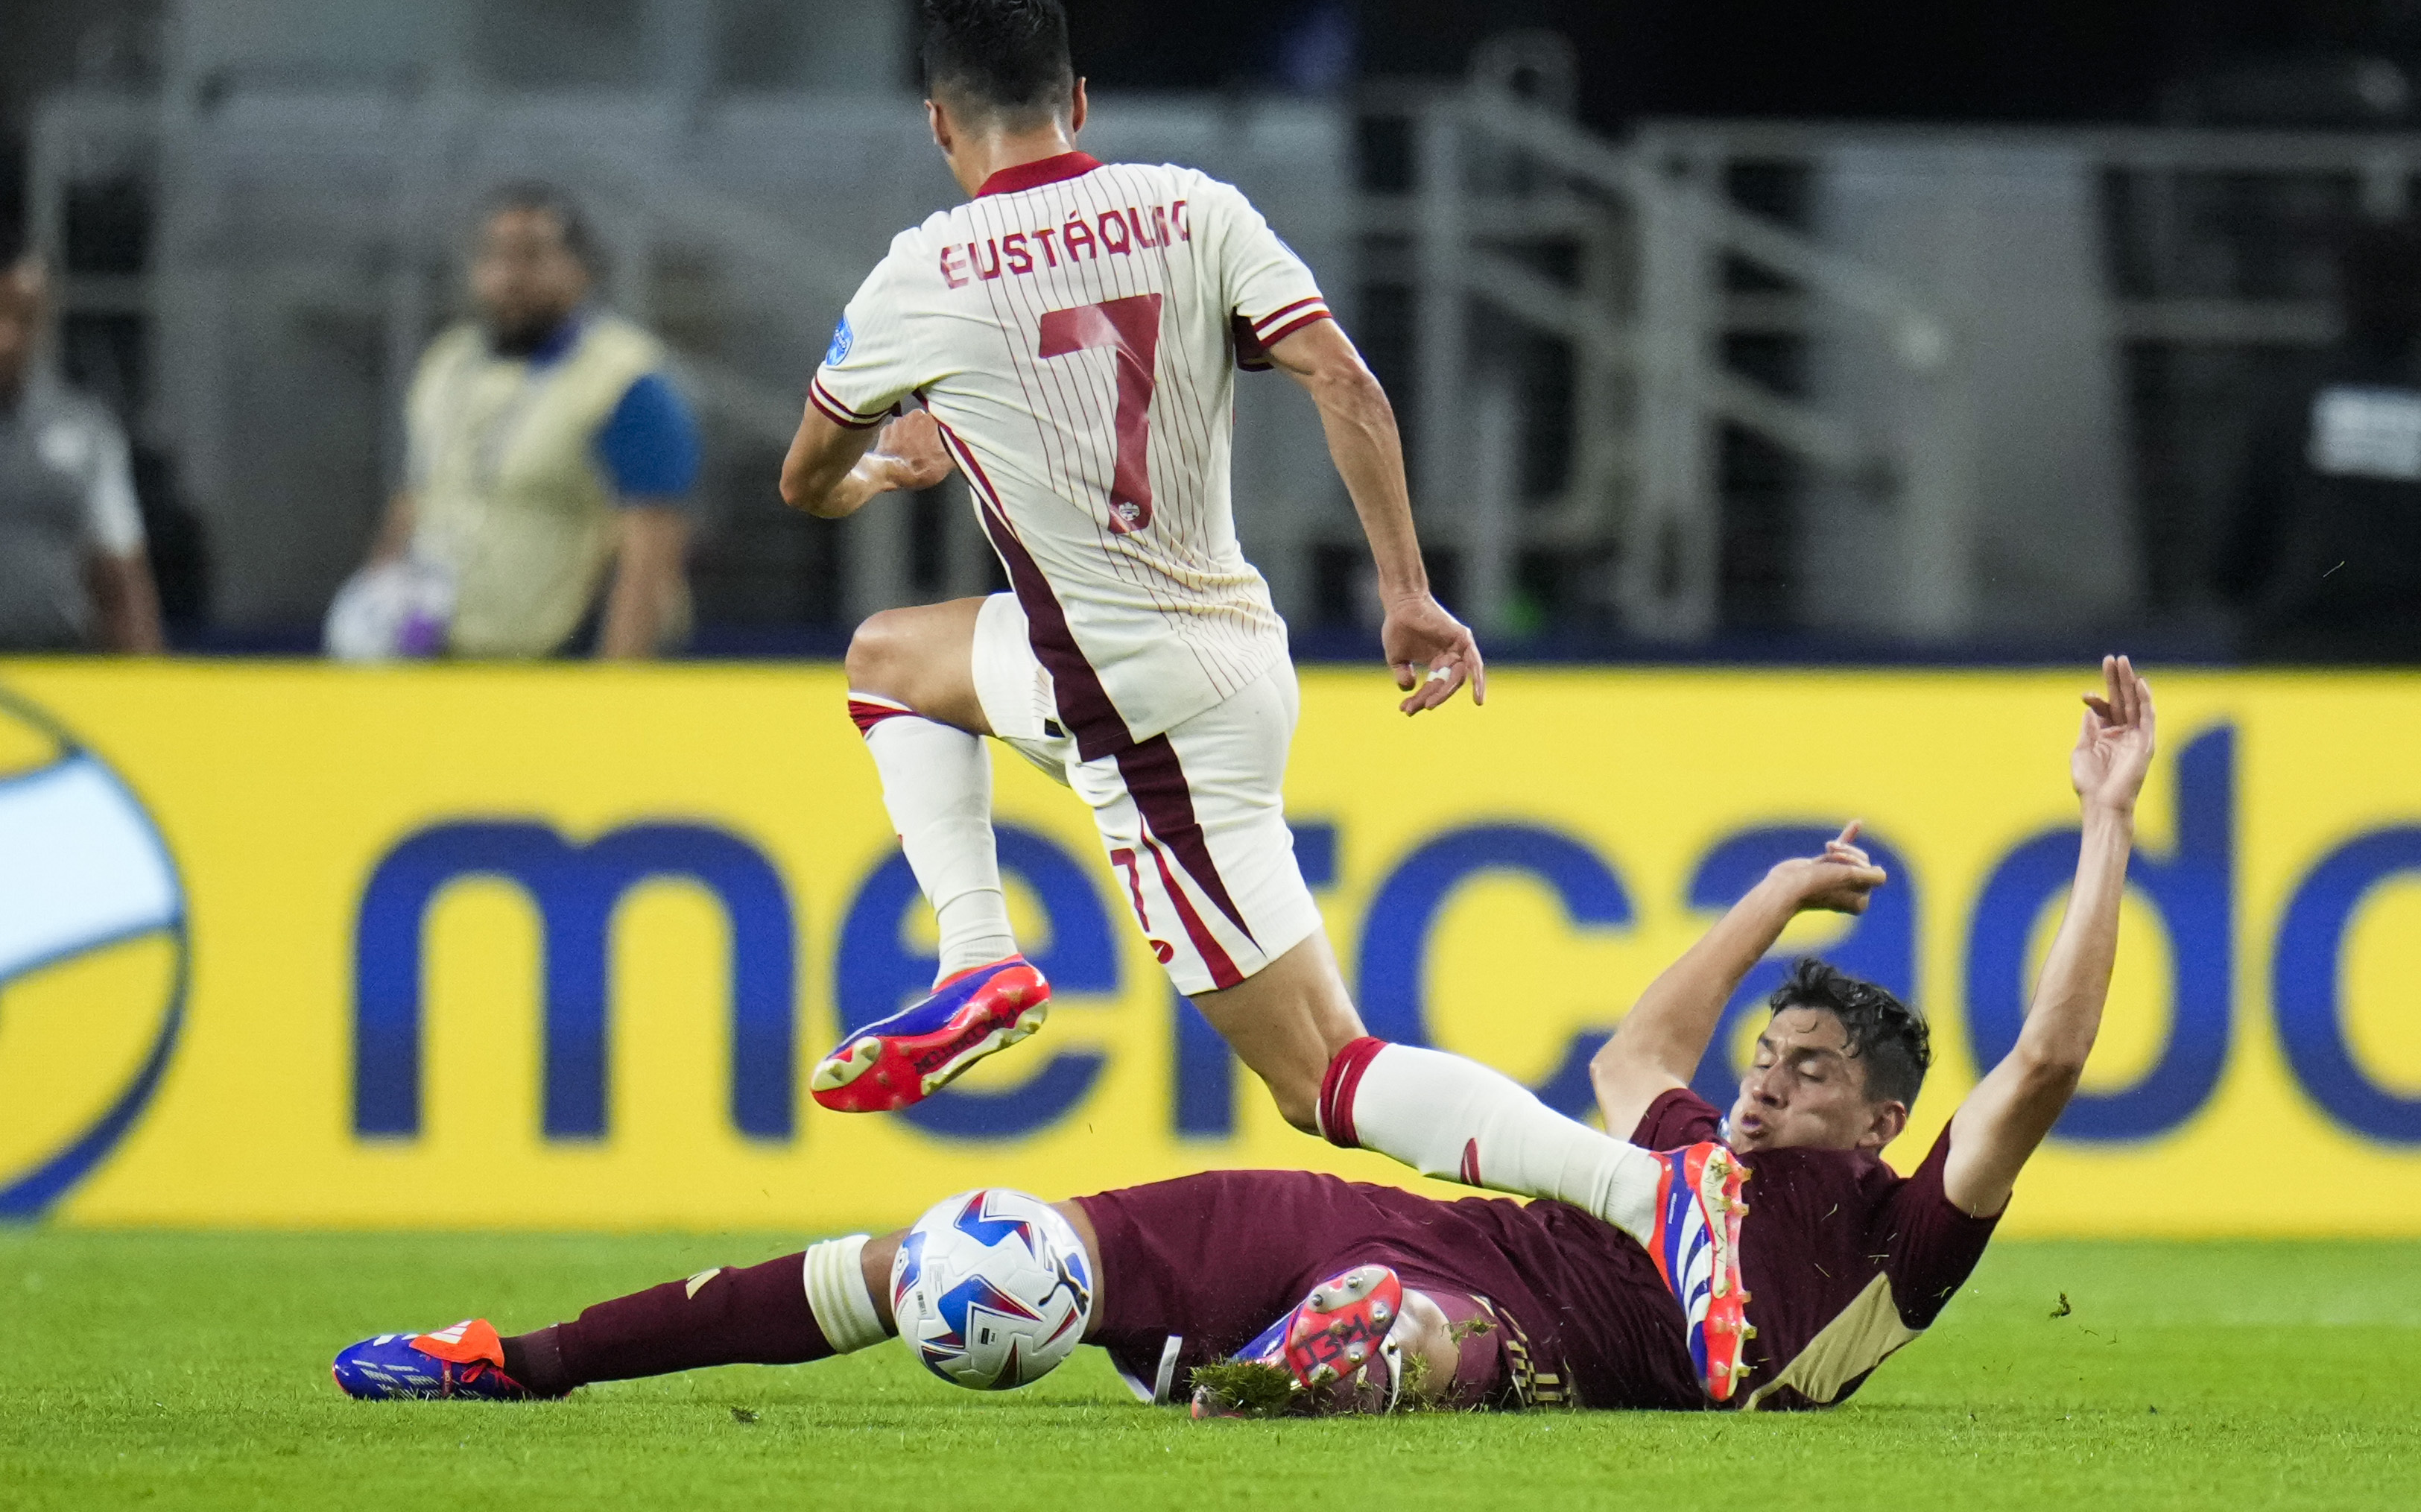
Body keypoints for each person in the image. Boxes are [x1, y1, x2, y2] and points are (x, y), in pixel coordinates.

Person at [329, 659, 2156, 1417]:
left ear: (1889, 1115)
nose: (1759, 1082)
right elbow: (1629, 1048)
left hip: (1499, 1323)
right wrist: (1764, 898)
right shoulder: (1692, 1141)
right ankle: (523, 1357)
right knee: (957, 1253)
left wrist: (2104, 816)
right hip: (1343, 1213)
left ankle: (1227, 1375)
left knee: (1394, 1342)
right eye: (1766, 1058)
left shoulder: (1897, 1243)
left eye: (1808, 1072)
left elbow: (2051, 1061)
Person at [770, 0, 1742, 1362]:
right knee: (890, 661)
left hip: (1127, 704)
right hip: (1220, 653)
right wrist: (1405, 594)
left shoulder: (917, 275)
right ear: (1079, 101)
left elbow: (803, 479)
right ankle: (976, 958)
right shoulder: (1192, 207)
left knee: (1321, 1074)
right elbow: (1344, 384)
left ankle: (1648, 1195)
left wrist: (885, 461)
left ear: (938, 124)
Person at [346, 184, 700, 659]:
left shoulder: (622, 380)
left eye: (531, 257)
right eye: (493, 256)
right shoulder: (447, 363)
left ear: (581, 270)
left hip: (547, 659)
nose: (509, 276)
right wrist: (376, 612)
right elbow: (417, 496)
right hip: (432, 651)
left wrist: (618, 682)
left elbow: (652, 541)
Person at [2220, 219, 2421, 660]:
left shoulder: (2292, 395)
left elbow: (2238, 545)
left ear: (2342, 290)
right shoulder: (2291, 394)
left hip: (2306, 648)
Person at [0, 247, 163, 653]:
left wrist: (151, 689)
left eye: (21, 317)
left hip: (56, 671)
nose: (5, 337)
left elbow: (120, 573)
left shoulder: (84, 431)